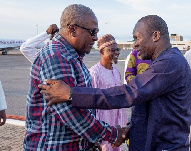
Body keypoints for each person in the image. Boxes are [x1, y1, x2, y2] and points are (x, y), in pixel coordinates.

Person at [39, 15, 191, 151]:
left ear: (155, 35)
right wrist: (130, 128)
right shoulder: (161, 62)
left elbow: (130, 93)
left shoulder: (169, 63)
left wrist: (71, 93)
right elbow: (157, 110)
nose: (134, 44)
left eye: (137, 38)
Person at [24, 4, 125, 151]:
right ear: (72, 29)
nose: (95, 37)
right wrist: (111, 134)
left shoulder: (73, 57)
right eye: (92, 31)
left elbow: (84, 104)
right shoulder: (55, 55)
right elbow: (70, 112)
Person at [89, 34, 127, 151]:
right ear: (102, 51)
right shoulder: (94, 73)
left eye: (117, 49)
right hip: (103, 125)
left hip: (116, 121)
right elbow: (91, 104)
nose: (116, 52)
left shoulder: (116, 71)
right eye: (112, 50)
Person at [124, 49, 150, 150]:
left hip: (157, 101)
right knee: (138, 132)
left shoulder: (161, 54)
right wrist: (142, 86)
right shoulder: (135, 54)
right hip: (140, 100)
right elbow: (128, 74)